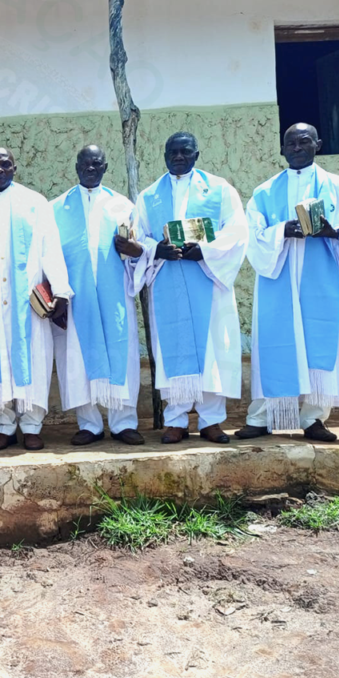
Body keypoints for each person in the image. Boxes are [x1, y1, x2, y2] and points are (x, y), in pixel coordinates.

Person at [238, 123, 339, 441]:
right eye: (290, 143)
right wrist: (283, 231)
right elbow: (252, 236)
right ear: (282, 149)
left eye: (303, 141)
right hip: (278, 278)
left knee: (316, 347)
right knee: (276, 345)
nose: (296, 147)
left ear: (317, 145)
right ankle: (262, 416)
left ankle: (313, 418)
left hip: (323, 282)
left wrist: (333, 231)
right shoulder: (264, 192)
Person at [133, 132, 248, 444]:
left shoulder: (220, 189)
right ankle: (176, 420)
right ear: (165, 154)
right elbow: (138, 237)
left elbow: (237, 231)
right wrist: (157, 249)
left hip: (207, 282)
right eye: (173, 151)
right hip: (167, 283)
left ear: (197, 154)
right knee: (172, 348)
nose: (179, 157)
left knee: (212, 351)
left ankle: (212, 421)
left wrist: (205, 252)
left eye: (186, 151)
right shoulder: (149, 196)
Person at [0, 148, 71, 452]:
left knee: (34, 358)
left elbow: (50, 248)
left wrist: (61, 291)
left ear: (14, 168)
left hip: (27, 300)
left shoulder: (34, 203)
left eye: (5, 165)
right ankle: (4, 425)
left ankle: (31, 425)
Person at [51, 146, 145, 447]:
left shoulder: (123, 205)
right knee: (77, 355)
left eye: (96, 164)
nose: (90, 168)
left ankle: (123, 422)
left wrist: (134, 253)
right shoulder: (57, 207)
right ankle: (89, 423)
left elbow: (138, 250)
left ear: (105, 167)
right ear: (76, 166)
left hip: (114, 293)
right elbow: (49, 255)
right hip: (76, 297)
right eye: (84, 163)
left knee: (121, 351)